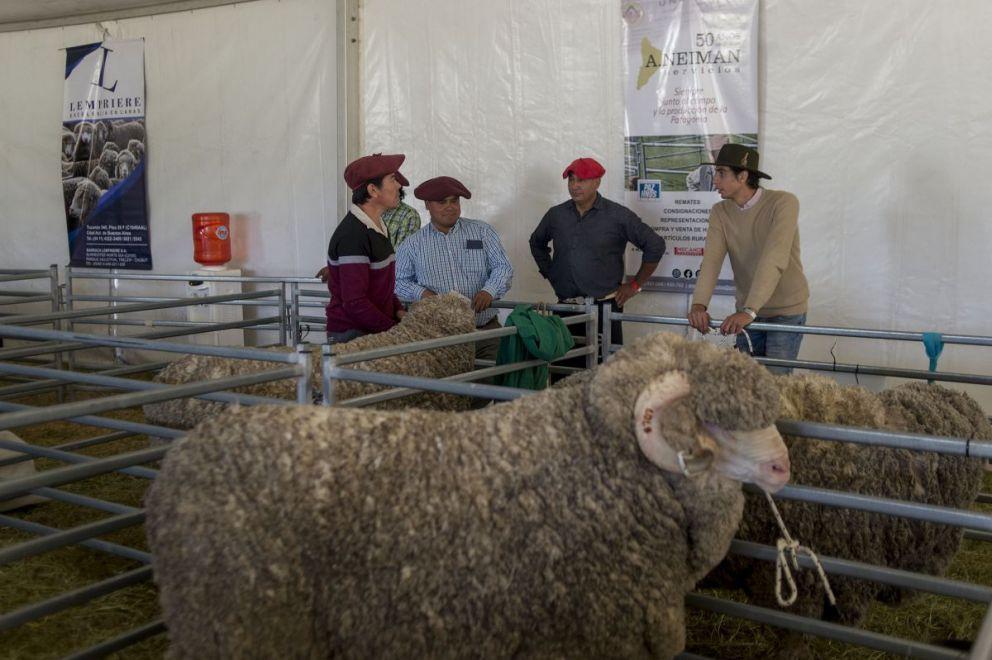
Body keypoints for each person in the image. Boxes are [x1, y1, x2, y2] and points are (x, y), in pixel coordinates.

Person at [529, 157, 666, 360]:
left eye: (581, 180)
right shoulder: (556, 215)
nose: (574, 186)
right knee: (565, 376)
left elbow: (655, 245)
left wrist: (635, 285)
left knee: (606, 376)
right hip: (566, 308)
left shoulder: (618, 216)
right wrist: (552, 273)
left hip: (604, 310)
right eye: (571, 180)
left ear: (597, 182)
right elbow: (536, 242)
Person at [687, 144, 809, 369]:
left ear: (742, 176)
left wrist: (749, 310)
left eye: (721, 173)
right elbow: (711, 261)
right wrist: (699, 305)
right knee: (746, 384)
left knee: (775, 387)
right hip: (746, 311)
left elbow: (774, 258)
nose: (715, 180)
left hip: (784, 311)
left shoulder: (783, 203)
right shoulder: (720, 212)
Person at [395, 176, 513, 362]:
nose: (450, 207)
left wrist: (489, 290)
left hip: (484, 331)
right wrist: (422, 293)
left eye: (454, 201)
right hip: (438, 335)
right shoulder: (412, 245)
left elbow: (503, 266)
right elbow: (399, 282)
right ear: (427, 205)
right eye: (442, 202)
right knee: (447, 388)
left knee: (490, 386)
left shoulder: (482, 231)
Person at [324, 153, 408, 343]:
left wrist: (398, 310)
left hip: (373, 331)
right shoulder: (353, 236)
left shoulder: (377, 227)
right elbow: (355, 302)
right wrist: (394, 331)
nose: (399, 186)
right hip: (354, 335)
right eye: (393, 179)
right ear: (373, 190)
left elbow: (380, 287)